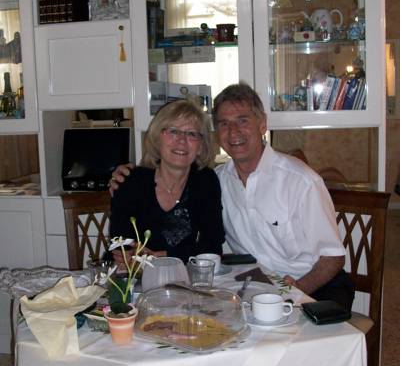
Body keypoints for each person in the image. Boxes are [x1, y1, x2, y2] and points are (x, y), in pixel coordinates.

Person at [110, 83, 354, 311]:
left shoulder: (300, 181)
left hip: (314, 286)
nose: (233, 131)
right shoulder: (218, 180)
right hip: (254, 285)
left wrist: (295, 291)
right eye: (224, 123)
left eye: (242, 120)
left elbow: (333, 258)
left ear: (262, 125)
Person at [109, 99, 225, 265]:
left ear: (201, 146)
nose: (182, 140)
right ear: (157, 139)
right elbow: (120, 243)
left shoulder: (205, 181)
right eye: (173, 131)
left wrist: (162, 257)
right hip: (132, 273)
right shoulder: (130, 180)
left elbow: (213, 245)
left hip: (183, 274)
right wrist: (131, 256)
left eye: (192, 134)